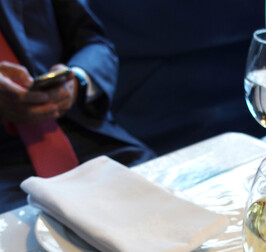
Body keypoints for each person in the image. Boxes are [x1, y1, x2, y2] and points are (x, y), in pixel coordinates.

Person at [0, 0, 155, 213]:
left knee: (163, 208)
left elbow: (95, 44)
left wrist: (77, 80)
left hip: (86, 138)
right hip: (6, 166)